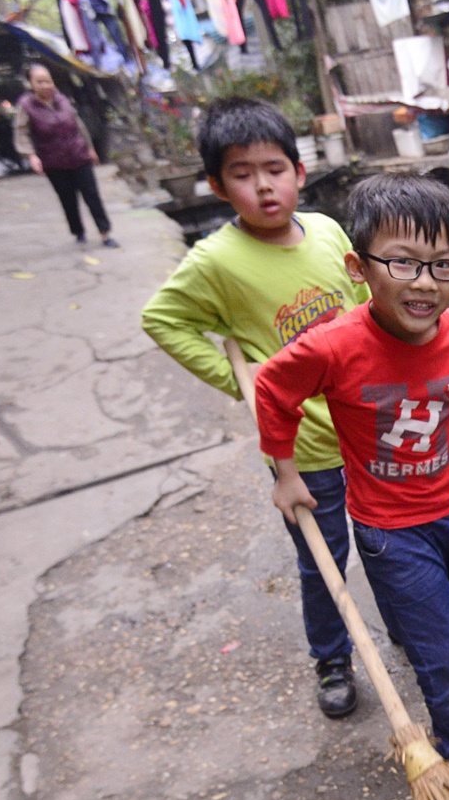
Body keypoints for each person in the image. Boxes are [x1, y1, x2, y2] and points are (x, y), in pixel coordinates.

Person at [254, 173, 449, 786]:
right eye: (402, 263)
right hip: (392, 532)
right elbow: (272, 389)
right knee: (440, 646)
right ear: (358, 268)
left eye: (442, 265)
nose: (425, 283)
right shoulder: (333, 347)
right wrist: (285, 473)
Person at [141, 98, 371, 718]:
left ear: (300, 171)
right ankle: (332, 658)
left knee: (388, 542)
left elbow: (365, 307)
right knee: (322, 559)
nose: (264, 186)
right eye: (242, 174)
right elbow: (162, 319)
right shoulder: (215, 262)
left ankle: (404, 627)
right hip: (304, 447)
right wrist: (240, 381)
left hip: (366, 426)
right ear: (217, 187)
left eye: (275, 169)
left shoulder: (327, 232)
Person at [14, 65, 119, 249]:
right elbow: (22, 132)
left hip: (78, 154)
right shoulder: (26, 106)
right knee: (68, 198)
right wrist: (31, 156)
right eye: (40, 82)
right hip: (53, 161)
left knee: (92, 195)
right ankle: (78, 231)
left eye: (48, 81)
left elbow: (78, 125)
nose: (45, 85)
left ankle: (105, 233)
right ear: (31, 84)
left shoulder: (62, 99)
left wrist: (90, 148)